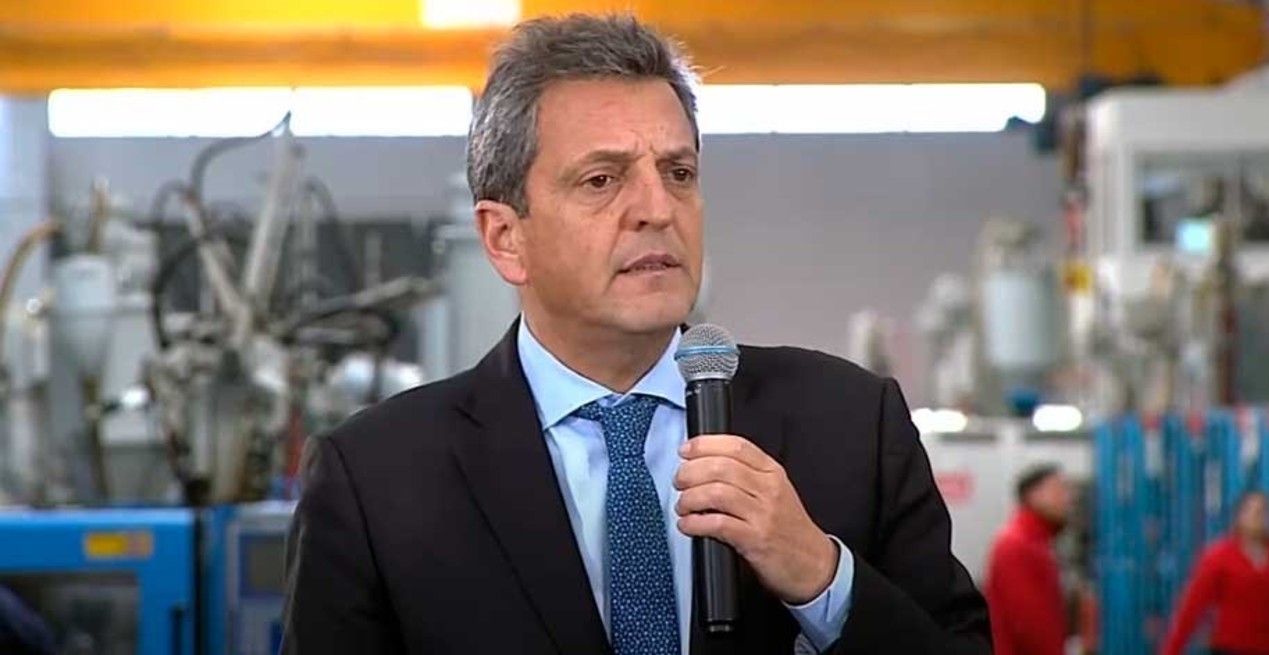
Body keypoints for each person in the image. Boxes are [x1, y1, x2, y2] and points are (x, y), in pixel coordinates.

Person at [280, 13, 991, 655]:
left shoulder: (853, 425)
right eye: (601, 180)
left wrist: (822, 578)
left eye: (678, 172)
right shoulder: (376, 478)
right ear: (504, 238)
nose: (657, 208)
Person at [1161, 491, 1269, 655]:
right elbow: (1191, 608)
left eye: (1264, 511)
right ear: (1239, 517)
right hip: (1228, 648)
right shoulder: (1219, 557)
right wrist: (1171, 650)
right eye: (1253, 511)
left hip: (1267, 649)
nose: (1259, 517)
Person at [984, 463, 1075, 655]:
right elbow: (1029, 626)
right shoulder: (1018, 545)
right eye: (1058, 490)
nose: (1067, 499)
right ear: (1034, 496)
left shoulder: (1037, 542)